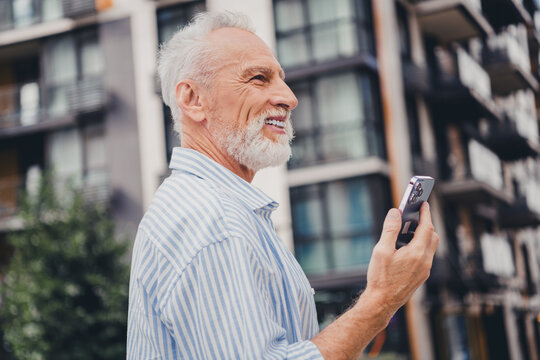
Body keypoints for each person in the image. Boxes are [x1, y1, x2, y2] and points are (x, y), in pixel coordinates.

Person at [127, 11, 439, 360]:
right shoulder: (212, 219)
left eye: (282, 79)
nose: (289, 97)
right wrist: (382, 299)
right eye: (259, 79)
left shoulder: (216, 208)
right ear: (193, 99)